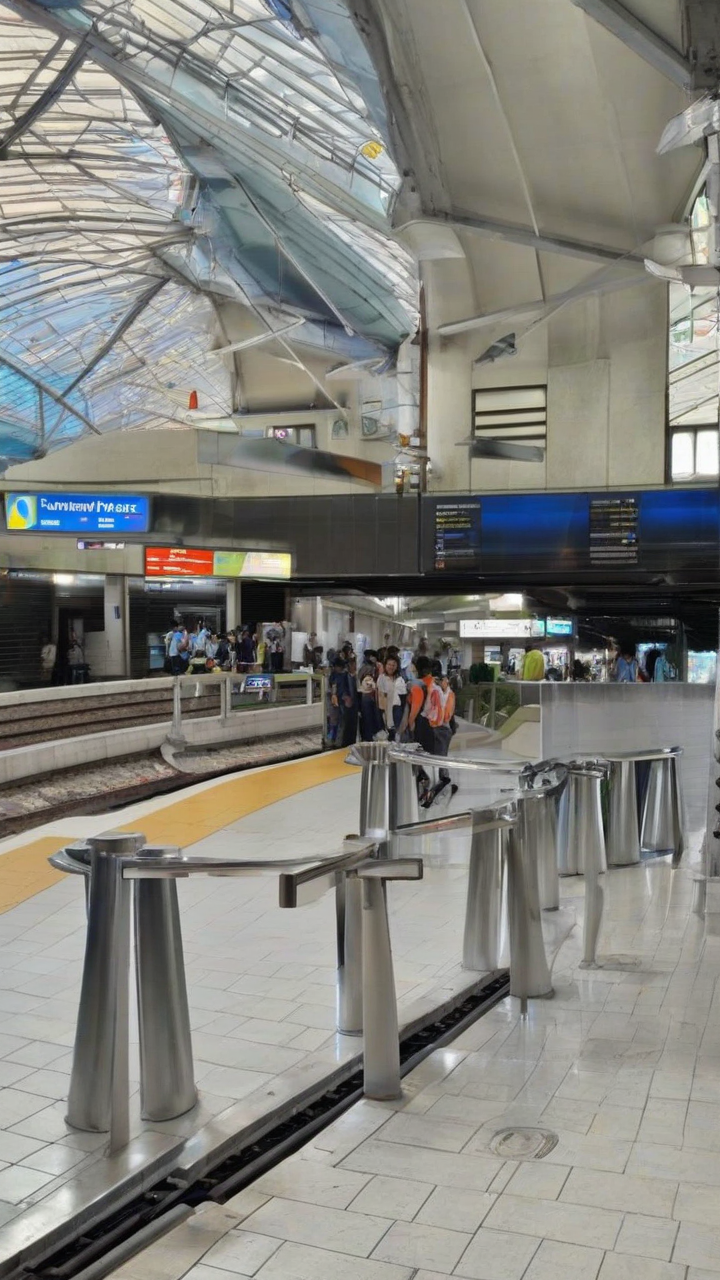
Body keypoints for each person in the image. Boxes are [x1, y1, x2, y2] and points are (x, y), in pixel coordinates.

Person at [407, 655, 444, 806]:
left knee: (421, 757)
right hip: (434, 724)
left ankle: (424, 792)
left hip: (422, 723)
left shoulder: (418, 684)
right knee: (431, 757)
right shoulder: (435, 683)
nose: (411, 668)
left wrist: (410, 722)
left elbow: (416, 706)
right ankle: (432, 791)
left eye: (413, 665)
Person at [377, 653, 407, 739]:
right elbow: (381, 699)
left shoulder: (400, 679)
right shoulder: (382, 678)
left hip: (397, 712)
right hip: (386, 712)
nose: (391, 667)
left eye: (393, 665)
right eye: (389, 664)